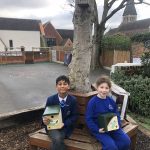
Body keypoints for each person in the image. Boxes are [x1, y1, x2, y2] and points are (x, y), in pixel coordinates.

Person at [85, 75, 131, 150]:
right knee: (111, 147)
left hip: (112, 127)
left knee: (126, 141)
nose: (104, 90)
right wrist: (97, 129)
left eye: (106, 88)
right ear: (97, 87)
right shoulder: (92, 102)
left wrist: (118, 125)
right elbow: (88, 119)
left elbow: (117, 114)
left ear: (109, 89)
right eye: (101, 87)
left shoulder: (110, 101)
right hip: (100, 130)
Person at [42, 75, 78, 150]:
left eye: (65, 84)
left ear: (68, 86)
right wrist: (44, 120)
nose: (62, 86)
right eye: (60, 84)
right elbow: (45, 115)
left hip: (65, 127)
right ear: (56, 86)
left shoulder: (73, 100)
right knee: (58, 138)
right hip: (52, 127)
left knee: (57, 139)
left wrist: (64, 124)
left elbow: (74, 116)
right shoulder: (51, 99)